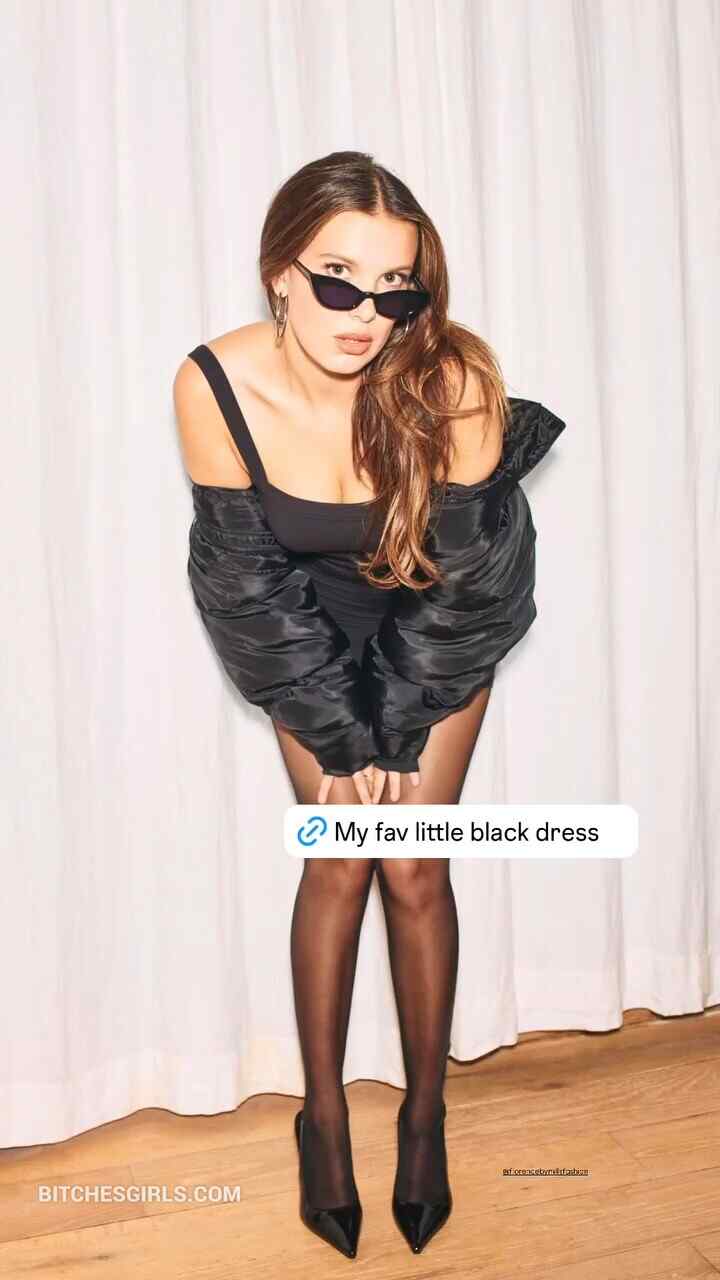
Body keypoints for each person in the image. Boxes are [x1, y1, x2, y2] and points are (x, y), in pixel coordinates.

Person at [173, 150, 566, 1259]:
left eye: (395, 287)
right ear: (280, 273)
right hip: (299, 627)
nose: (365, 314)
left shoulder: (454, 379)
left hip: (441, 620)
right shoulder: (215, 384)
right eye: (337, 279)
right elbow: (245, 585)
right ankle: (326, 1119)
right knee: (340, 859)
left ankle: (425, 1118)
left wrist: (395, 722)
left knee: (413, 864)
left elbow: (473, 582)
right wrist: (342, 736)